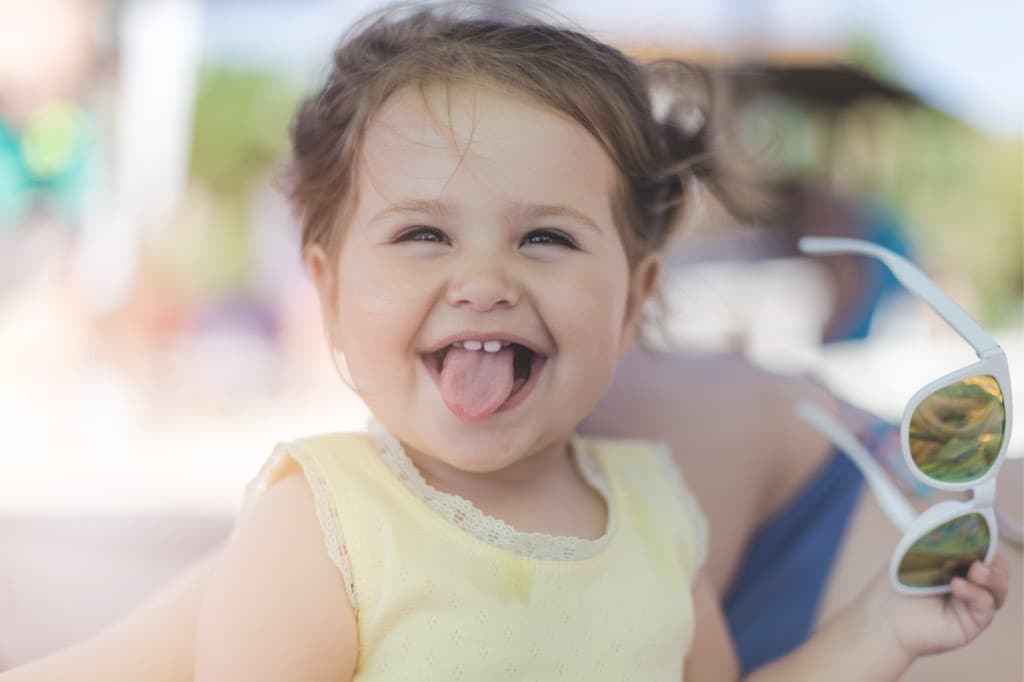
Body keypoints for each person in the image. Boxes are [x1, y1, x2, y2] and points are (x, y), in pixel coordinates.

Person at [1, 4, 1010, 680]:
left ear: (632, 298)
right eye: (423, 234)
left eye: (545, 237)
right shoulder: (325, 521)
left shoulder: (656, 510)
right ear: (329, 288)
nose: (485, 278)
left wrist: (881, 631)